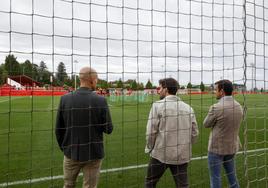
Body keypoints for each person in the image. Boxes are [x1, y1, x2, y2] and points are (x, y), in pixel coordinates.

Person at [55, 67, 113, 188]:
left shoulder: (65, 99)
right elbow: (109, 129)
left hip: (71, 152)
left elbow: (58, 129)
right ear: (92, 80)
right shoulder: (100, 100)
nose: (97, 82)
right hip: (93, 153)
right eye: (96, 79)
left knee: (68, 185)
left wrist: (65, 148)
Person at [145, 78, 199, 188]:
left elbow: (151, 132)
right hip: (182, 155)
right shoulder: (188, 108)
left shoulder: (157, 106)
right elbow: (195, 134)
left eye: (159, 88)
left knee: (150, 182)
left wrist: (150, 147)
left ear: (166, 89)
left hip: (161, 153)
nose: (158, 91)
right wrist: (185, 145)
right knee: (183, 185)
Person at [203, 79, 243, 188]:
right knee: (232, 177)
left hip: (217, 148)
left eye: (216, 89)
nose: (215, 92)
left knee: (215, 178)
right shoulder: (239, 106)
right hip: (232, 147)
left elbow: (206, 124)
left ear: (222, 91)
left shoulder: (216, 107)